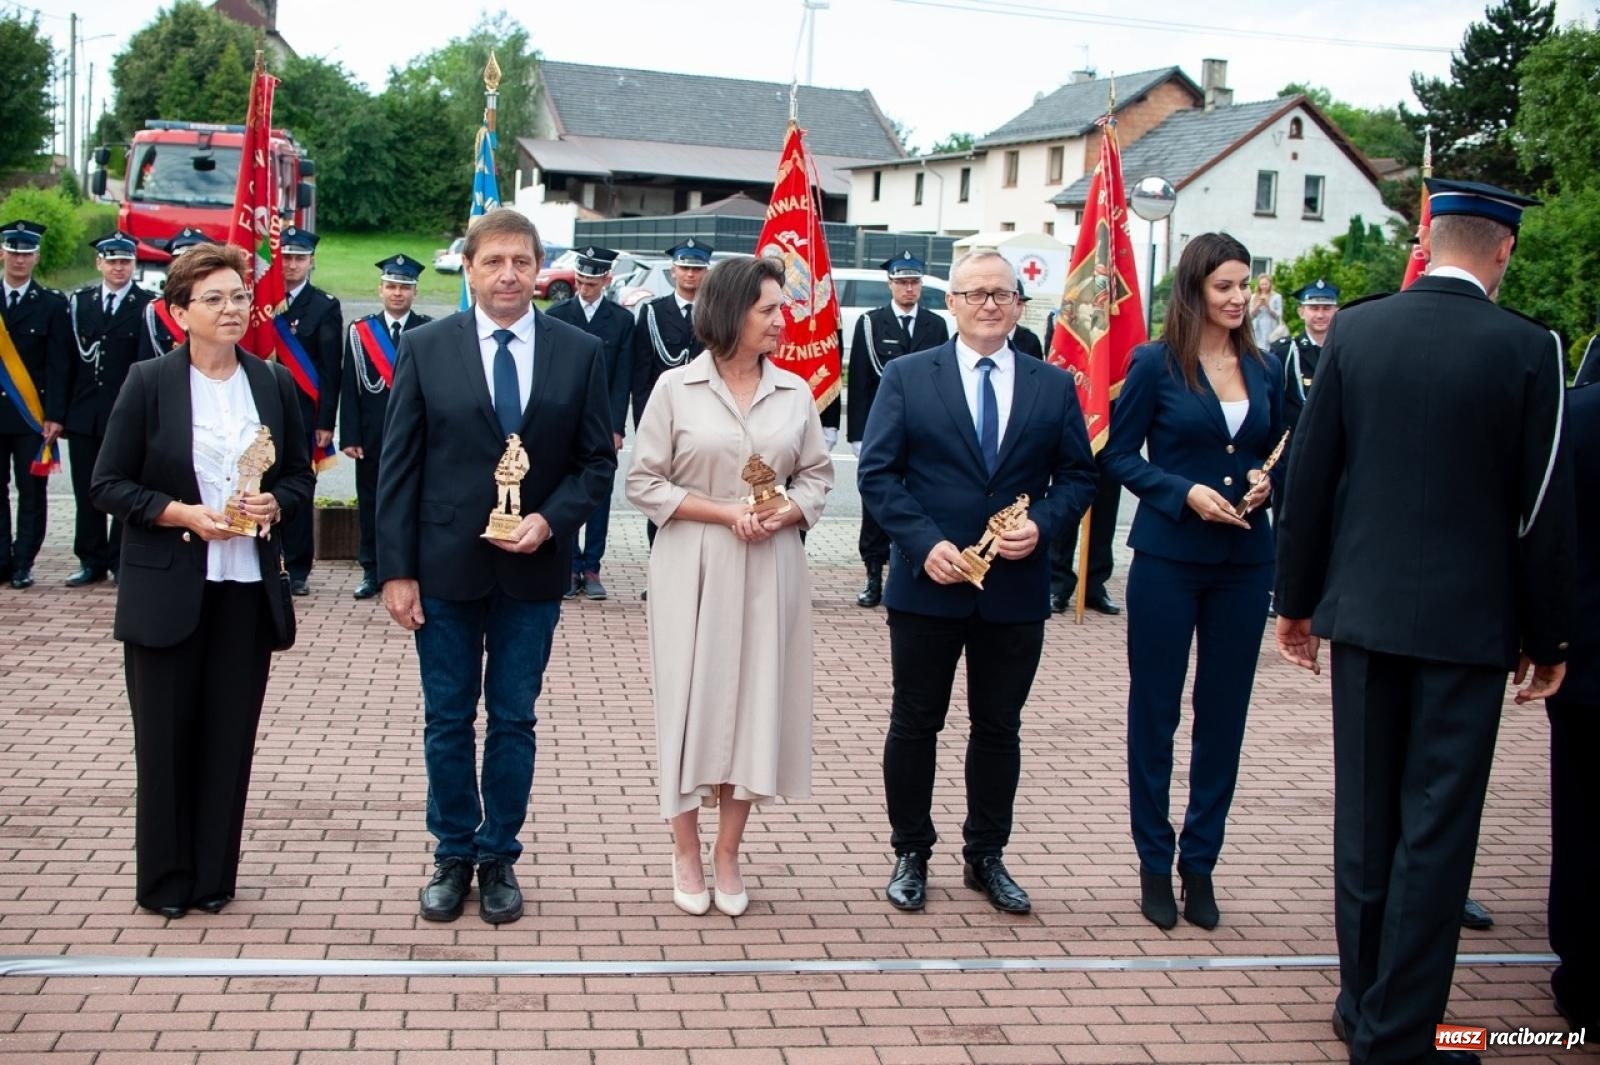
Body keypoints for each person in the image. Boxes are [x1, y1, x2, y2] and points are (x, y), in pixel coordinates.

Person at [1274, 179, 1573, 1065]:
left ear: (1429, 236)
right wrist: (1547, 639)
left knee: (1365, 823)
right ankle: (1400, 1036)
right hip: (1467, 628)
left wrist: (1295, 603)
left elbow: (1311, 481)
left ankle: (1363, 1005)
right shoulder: (1530, 349)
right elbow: (1541, 513)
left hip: (1363, 616)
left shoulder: (1358, 330)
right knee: (1434, 832)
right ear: (1504, 251)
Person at [376, 208, 615, 926]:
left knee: (513, 717)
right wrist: (396, 569)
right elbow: (399, 465)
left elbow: (596, 461)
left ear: (541, 269)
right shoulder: (425, 347)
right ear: (470, 268)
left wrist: (552, 519)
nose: (508, 274)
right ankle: (452, 851)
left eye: (522, 261)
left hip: (532, 572)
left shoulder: (579, 351)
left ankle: (499, 851)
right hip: (443, 568)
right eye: (494, 261)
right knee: (448, 717)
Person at [858, 250, 1098, 915]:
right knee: (915, 721)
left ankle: (985, 855)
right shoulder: (909, 376)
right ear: (953, 304)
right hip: (928, 583)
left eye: (1002, 293)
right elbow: (878, 474)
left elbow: (1079, 475)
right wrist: (923, 542)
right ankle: (911, 850)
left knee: (999, 726)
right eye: (975, 293)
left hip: (1013, 592)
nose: (989, 304)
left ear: (1021, 305)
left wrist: (1044, 526)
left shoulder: (1052, 385)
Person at [90, 242, 314, 918]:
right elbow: (106, 482)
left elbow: (299, 474)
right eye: (212, 298)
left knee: (228, 736)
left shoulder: (271, 383)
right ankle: (165, 880)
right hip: (167, 587)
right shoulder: (148, 382)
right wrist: (178, 512)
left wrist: (277, 503)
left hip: (243, 587)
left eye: (239, 296)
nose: (230, 309)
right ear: (178, 311)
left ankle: (215, 875)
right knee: (164, 740)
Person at [625, 255, 833, 917]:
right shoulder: (674, 389)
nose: (781, 320)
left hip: (771, 567)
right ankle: (685, 849)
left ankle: (728, 852)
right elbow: (644, 480)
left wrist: (787, 510)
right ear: (730, 311)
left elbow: (818, 477)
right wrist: (723, 512)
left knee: (756, 705)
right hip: (692, 563)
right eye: (768, 309)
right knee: (689, 706)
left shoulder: (796, 392)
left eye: (781, 308)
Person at [1099, 233, 1283, 932]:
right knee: (1157, 711)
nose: (1239, 298)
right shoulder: (1154, 364)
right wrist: (1181, 491)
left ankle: (1200, 860)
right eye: (1225, 287)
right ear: (1194, 290)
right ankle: (1154, 858)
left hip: (1245, 564)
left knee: (1223, 716)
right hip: (1169, 558)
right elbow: (1117, 454)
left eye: (1244, 285)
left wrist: (1272, 480)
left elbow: (1283, 445)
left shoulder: (1265, 366)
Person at [845, 251, 949, 608]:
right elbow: (859, 379)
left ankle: (908, 571)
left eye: (914, 282)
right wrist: (857, 434)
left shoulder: (935, 325)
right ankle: (873, 575)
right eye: (903, 282)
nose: (909, 288)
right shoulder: (871, 323)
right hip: (883, 428)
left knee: (920, 501)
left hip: (923, 427)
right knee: (877, 505)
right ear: (890, 284)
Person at [56, 233, 156, 588]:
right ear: (99, 263)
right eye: (111, 261)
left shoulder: (146, 306)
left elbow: (146, 363)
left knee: (125, 489)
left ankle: (119, 558)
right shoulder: (79, 303)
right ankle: (90, 558)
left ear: (134, 264)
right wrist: (57, 412)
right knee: (87, 490)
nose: (118, 267)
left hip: (125, 414)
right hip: (84, 414)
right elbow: (63, 363)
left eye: (125, 261)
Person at [1548, 371, 1599, 1031]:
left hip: (1587, 658)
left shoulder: (1575, 415)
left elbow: (1545, 532)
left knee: (1584, 824)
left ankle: (1584, 975)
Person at [339, 254, 433, 600]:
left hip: (415, 435)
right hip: (373, 435)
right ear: (380, 290)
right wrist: (349, 435)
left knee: (414, 501)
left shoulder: (426, 329)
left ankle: (411, 568)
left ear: (414, 292)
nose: (398, 294)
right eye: (392, 287)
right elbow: (350, 386)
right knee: (371, 503)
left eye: (404, 288)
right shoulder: (361, 331)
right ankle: (372, 569)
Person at [546, 246, 632, 601]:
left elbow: (622, 379)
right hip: (564, 421)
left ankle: (591, 565)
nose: (585, 287)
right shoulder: (557, 315)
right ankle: (568, 564)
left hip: (600, 423)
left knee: (598, 496)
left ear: (606, 281)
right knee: (564, 491)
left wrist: (616, 427)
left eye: (593, 281)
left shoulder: (622, 321)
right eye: (581, 280)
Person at [0, 219, 71, 590]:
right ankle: (0, 559)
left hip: (32, 417)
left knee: (31, 492)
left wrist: (55, 415)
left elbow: (58, 364)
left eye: (26, 254)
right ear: (1, 253)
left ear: (36, 258)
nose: (18, 260)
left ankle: (23, 561)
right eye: (13, 252)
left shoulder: (51, 304)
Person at [631, 240, 710, 566]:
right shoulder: (653, 312)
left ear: (706, 272)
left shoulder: (714, 313)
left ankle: (697, 563)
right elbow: (641, 372)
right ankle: (659, 564)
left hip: (706, 416)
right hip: (664, 416)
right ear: (673, 270)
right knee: (661, 491)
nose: (690, 274)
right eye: (685, 268)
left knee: (702, 493)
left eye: (697, 268)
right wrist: (642, 423)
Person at [1041, 307, 1123, 617]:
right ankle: (1057, 582)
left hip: (1108, 423)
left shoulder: (1119, 319)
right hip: (1071, 419)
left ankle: (1094, 584)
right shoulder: (1063, 314)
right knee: (1065, 504)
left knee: (1105, 508)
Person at [277, 226, 343, 596]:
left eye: (298, 258)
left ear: (311, 262)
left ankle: (298, 567)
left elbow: (331, 369)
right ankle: (267, 557)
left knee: (299, 491)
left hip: (304, 414)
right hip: (264, 413)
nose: (291, 264)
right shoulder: (261, 301)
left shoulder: (324, 306)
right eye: (285, 257)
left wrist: (325, 422)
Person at [138, 229, 215, 361]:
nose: (187, 267)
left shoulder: (222, 305)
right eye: (180, 261)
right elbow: (147, 359)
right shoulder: (155, 310)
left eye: (194, 261)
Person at [1248, 274, 1283, 351]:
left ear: (1270, 284)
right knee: (1256, 347)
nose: (1264, 286)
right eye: (1262, 284)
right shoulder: (1254, 296)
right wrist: (1258, 306)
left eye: (1265, 284)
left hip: (1270, 327)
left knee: (1269, 348)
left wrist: (1268, 306)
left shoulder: (1277, 296)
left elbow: (1278, 315)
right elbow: (1250, 315)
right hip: (1256, 327)